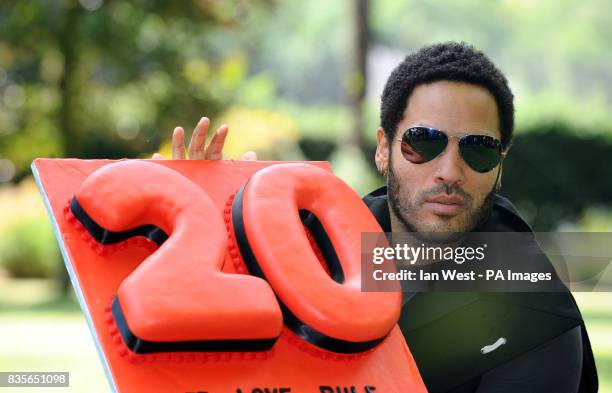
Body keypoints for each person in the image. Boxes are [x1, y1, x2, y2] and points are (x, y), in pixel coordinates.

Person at [153, 42, 597, 393]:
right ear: (384, 148)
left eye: (478, 148)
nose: (449, 171)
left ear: (500, 165)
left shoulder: (531, 313)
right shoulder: (323, 242)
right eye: (422, 143)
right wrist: (208, 225)